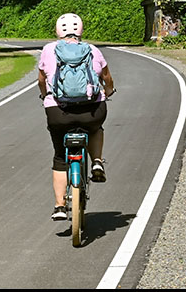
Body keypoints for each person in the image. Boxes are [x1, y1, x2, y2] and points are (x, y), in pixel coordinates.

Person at [38, 13, 116, 221]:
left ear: (57, 30)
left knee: (59, 157)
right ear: (81, 30)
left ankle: (60, 206)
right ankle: (97, 161)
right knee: (96, 128)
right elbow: (106, 78)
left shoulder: (48, 50)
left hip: (58, 112)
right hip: (92, 111)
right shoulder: (92, 50)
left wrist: (46, 95)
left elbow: (42, 80)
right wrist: (108, 92)